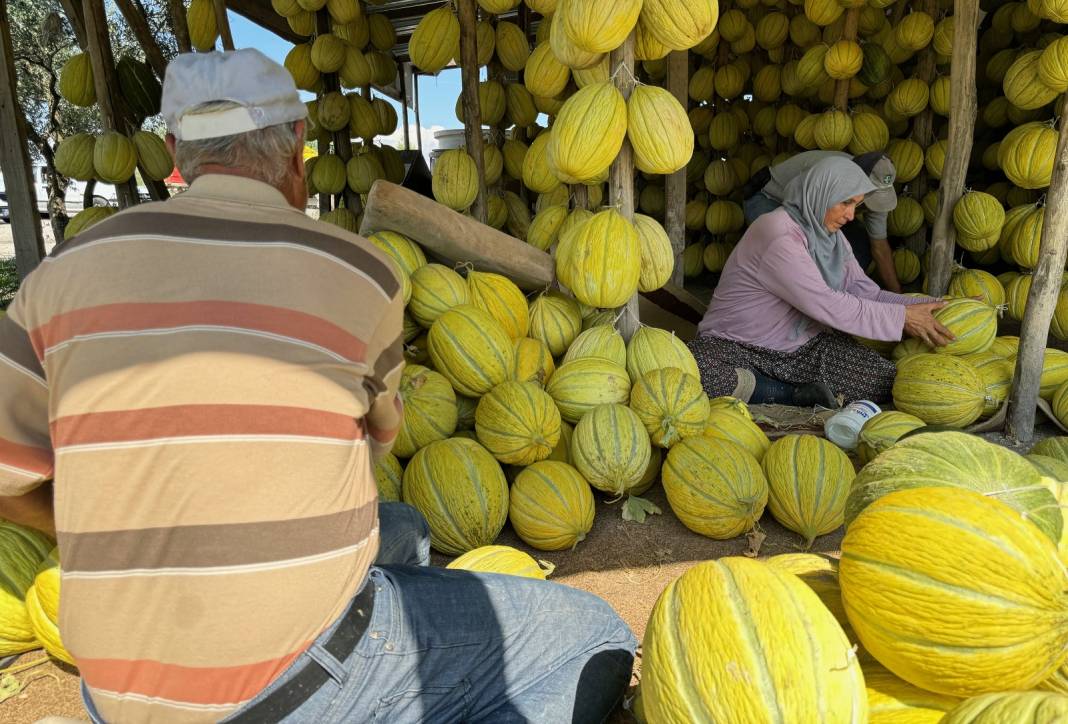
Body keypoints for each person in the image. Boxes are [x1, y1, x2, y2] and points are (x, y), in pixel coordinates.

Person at [0, 49, 635, 723]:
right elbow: (369, 447)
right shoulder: (353, 272)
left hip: (116, 690)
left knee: (409, 529)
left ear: (170, 152)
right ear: (298, 147)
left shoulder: (60, 278)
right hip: (290, 690)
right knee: (597, 638)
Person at [689, 156, 952, 407]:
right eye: (845, 203)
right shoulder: (776, 233)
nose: (851, 216)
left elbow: (865, 291)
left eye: (856, 206)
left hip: (802, 348)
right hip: (739, 346)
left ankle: (766, 387)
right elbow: (827, 303)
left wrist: (935, 305)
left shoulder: (830, 236)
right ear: (821, 192)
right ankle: (789, 394)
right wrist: (902, 318)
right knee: (699, 370)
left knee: (884, 381)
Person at [744, 150, 904, 293]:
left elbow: (879, 247)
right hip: (769, 198)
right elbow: (805, 217)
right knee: (797, 252)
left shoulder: (878, 200)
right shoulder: (828, 172)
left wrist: (898, 295)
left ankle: (840, 293)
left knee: (860, 242)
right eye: (867, 198)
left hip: (817, 211)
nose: (852, 215)